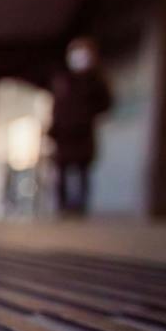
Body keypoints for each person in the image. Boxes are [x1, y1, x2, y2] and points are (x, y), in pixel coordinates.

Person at [48, 37, 112, 216]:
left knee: (82, 170)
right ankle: (62, 207)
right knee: (61, 170)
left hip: (83, 132)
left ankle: (81, 208)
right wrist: (53, 128)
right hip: (63, 133)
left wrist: (86, 114)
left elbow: (106, 103)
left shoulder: (95, 80)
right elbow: (56, 107)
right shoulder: (63, 79)